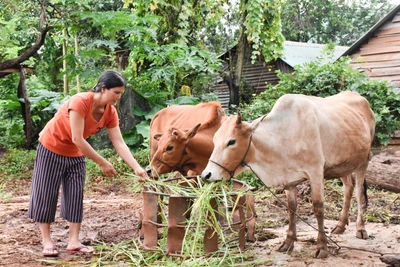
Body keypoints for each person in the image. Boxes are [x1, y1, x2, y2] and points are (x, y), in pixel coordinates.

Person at [28, 70, 148, 257]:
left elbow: (119, 142)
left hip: (76, 154)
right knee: (46, 193)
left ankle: (73, 241)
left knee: (76, 194)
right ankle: (47, 240)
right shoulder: (80, 101)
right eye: (116, 92)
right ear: (102, 88)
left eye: (121, 94)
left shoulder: (110, 112)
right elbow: (77, 138)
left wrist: (137, 168)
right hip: (51, 147)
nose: (118, 97)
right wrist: (102, 162)